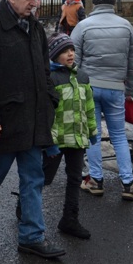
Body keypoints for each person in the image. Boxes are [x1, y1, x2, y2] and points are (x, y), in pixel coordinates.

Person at [0, 0, 65, 259]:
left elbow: (44, 69)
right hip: (5, 119)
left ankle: (31, 236)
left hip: (34, 118)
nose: (35, 2)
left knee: (33, 176)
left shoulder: (34, 27)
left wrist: (50, 97)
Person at [71, 0, 133, 201]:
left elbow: (73, 60)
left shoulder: (83, 26)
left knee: (92, 134)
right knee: (119, 136)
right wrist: (131, 90)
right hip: (115, 88)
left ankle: (95, 179)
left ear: (94, 2)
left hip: (89, 87)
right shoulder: (126, 26)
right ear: (113, 1)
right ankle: (128, 183)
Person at [44, 33, 98, 239]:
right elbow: (46, 112)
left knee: (75, 178)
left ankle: (70, 219)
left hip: (77, 138)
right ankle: (25, 205)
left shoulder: (82, 77)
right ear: (54, 55)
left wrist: (92, 131)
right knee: (44, 177)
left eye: (72, 50)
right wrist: (47, 140)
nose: (70, 54)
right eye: (65, 51)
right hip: (56, 139)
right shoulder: (50, 78)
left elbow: (90, 107)